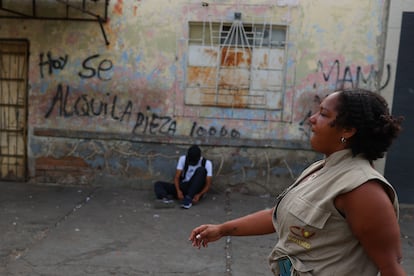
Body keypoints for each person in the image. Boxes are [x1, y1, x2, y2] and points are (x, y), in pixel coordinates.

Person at [189, 89, 406, 275]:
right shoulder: (321, 169)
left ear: (347, 130)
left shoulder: (363, 189)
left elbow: (391, 267)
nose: (311, 118)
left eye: (323, 114)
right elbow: (280, 214)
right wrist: (223, 229)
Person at [154, 145, 213, 209]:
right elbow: (177, 177)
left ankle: (188, 199)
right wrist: (178, 190)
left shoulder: (207, 163)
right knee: (158, 184)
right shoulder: (183, 159)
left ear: (199, 158)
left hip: (196, 190)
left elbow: (208, 184)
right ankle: (165, 199)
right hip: (185, 186)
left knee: (201, 170)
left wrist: (199, 195)